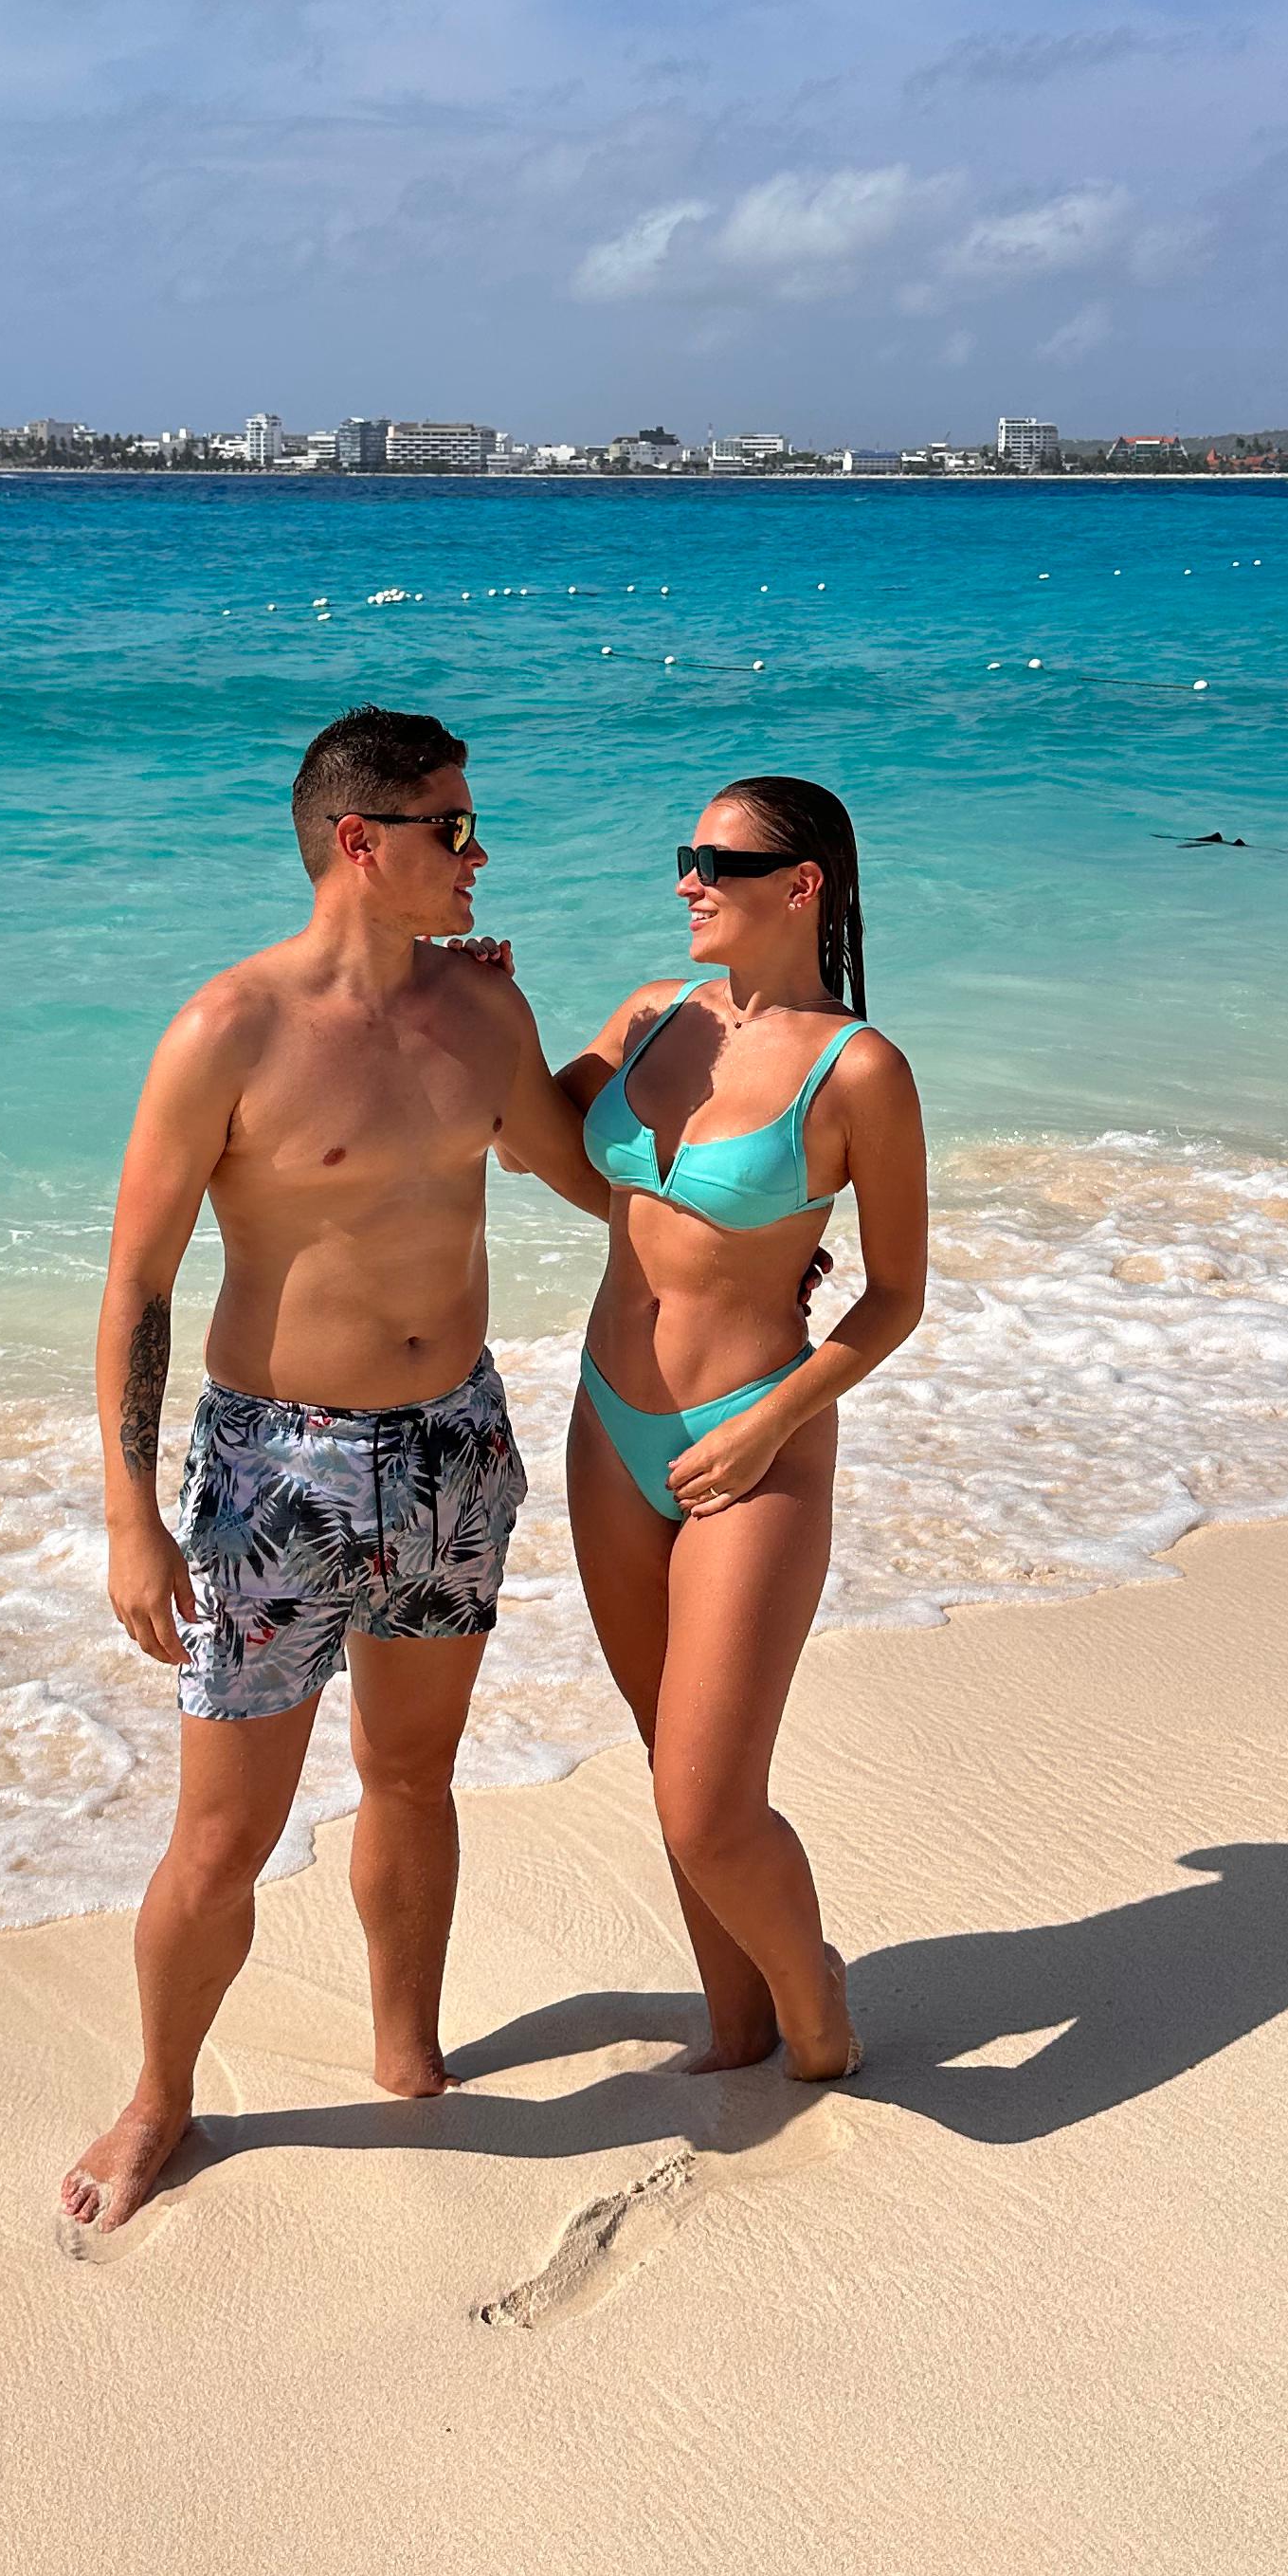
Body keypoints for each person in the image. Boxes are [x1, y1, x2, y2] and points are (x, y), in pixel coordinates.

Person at [59, 706, 610, 2238]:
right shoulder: (225, 1030)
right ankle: (160, 2092)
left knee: (411, 1777)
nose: (477, 855)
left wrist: (635, 1051)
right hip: (268, 1475)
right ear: (358, 843)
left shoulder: (481, 1017)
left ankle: (404, 2045)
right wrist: (126, 1516)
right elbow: (136, 1285)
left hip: (451, 1448)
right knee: (223, 1835)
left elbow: (574, 1172)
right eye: (450, 828)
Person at [538, 778, 929, 2085]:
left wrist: (774, 1422)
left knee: (708, 1802)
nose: (687, 879)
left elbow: (893, 1297)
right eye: (684, 853)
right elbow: (530, 1138)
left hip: (750, 1445)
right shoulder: (651, 1022)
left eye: (718, 860)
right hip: (609, 1424)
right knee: (668, 1768)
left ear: (802, 884)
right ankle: (736, 2020)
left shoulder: (856, 1067)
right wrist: (465, 995)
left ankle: (817, 2024)